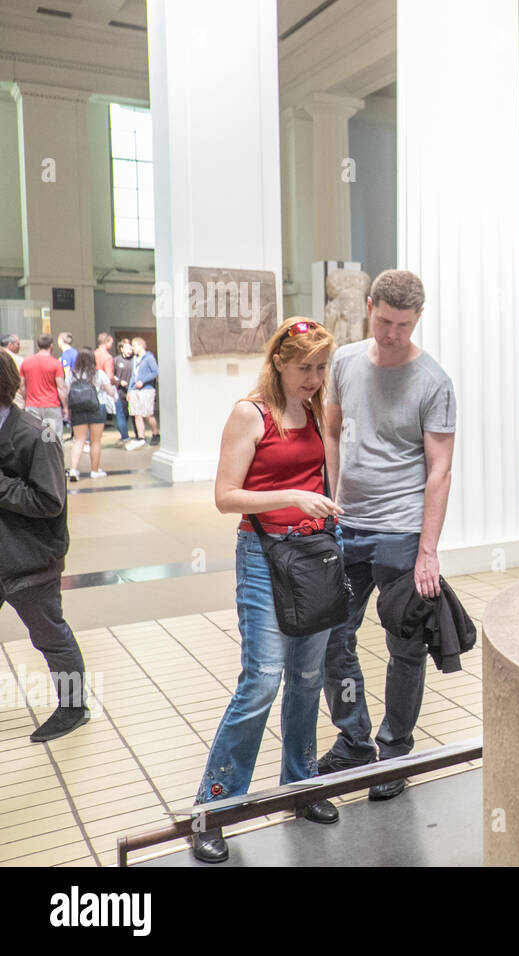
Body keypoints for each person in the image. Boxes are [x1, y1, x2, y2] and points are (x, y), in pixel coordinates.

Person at [191, 317, 343, 864]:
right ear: (279, 361)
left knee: (307, 678)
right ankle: (214, 807)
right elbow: (226, 497)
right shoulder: (248, 414)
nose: (314, 377)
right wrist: (292, 498)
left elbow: (326, 478)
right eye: (305, 367)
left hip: (315, 554)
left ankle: (300, 788)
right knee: (261, 680)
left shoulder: (318, 411)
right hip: (263, 557)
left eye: (322, 367)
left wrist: (325, 512)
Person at [318, 269, 456, 801]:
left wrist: (428, 550)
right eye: (383, 320)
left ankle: (395, 750)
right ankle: (353, 738)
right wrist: (331, 502)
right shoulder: (347, 362)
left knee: (405, 646)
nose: (392, 332)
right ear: (370, 306)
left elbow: (439, 471)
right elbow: (331, 431)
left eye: (403, 324)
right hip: (348, 526)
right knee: (333, 635)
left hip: (401, 532)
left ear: (417, 318)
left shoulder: (433, 381)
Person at [0, 351, 91, 743]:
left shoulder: (39, 434)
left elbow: (49, 500)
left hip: (29, 561)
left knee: (50, 637)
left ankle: (74, 708)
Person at [65, 348, 109, 481]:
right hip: (96, 408)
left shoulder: (72, 374)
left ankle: (73, 469)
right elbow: (110, 390)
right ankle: (94, 471)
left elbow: (67, 393)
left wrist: (66, 409)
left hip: (78, 409)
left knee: (79, 440)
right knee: (95, 441)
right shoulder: (98, 374)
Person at [17, 333, 66, 444]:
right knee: (53, 438)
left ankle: (36, 460)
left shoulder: (26, 363)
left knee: (33, 436)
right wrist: (65, 406)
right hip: (51, 405)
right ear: (51, 345)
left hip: (32, 405)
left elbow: (21, 385)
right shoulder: (56, 363)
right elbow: (61, 388)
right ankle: (55, 461)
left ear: (38, 345)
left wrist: (26, 400)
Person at [125, 336, 158, 450]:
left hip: (146, 389)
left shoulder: (149, 358)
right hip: (135, 390)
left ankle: (155, 433)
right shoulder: (134, 360)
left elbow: (155, 372)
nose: (133, 348)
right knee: (137, 414)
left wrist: (143, 381)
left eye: (134, 346)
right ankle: (141, 437)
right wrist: (129, 390)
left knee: (148, 414)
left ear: (140, 345)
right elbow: (132, 377)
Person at [112, 339, 134, 443]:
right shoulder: (116, 360)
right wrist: (120, 382)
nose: (130, 350)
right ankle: (124, 436)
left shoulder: (135, 360)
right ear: (121, 349)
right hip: (121, 392)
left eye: (131, 348)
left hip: (133, 392)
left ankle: (138, 436)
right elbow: (112, 375)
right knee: (123, 415)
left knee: (135, 415)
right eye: (127, 348)